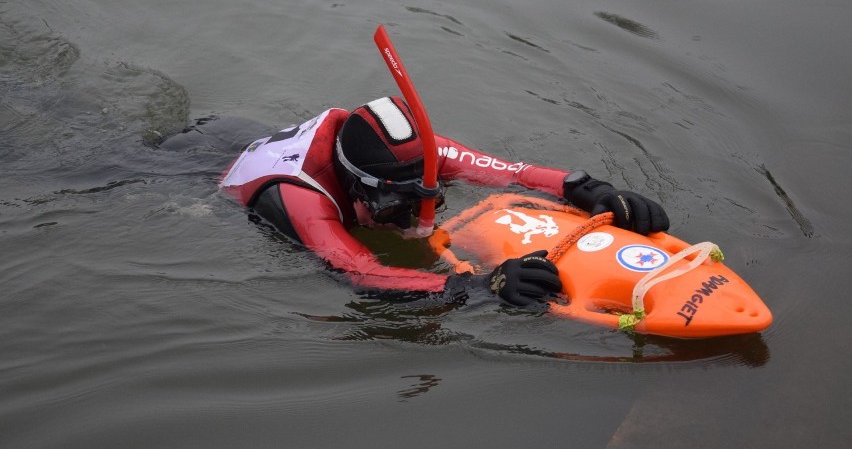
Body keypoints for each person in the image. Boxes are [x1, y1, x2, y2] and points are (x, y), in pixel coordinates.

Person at [219, 96, 669, 307]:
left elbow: (511, 172)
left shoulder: (417, 152)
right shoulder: (301, 198)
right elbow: (358, 273)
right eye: (395, 210)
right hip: (187, 169)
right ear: (356, 187)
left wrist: (585, 188)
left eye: (429, 200)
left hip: (247, 128)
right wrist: (477, 287)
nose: (419, 224)